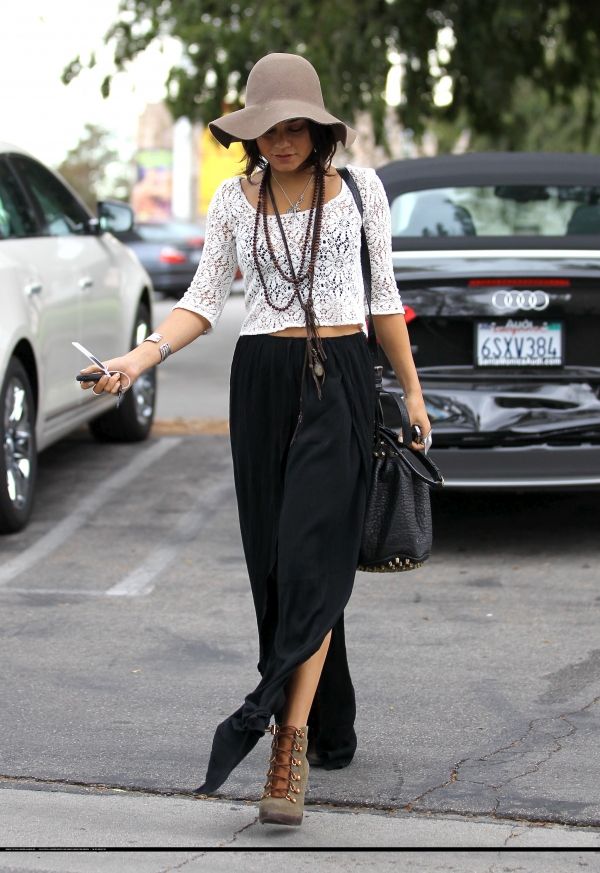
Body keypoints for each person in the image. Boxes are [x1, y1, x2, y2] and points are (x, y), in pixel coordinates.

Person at [79, 52, 431, 828]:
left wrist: (409, 389)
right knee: (277, 571)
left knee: (312, 556)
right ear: (251, 135)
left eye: (296, 127)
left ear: (320, 128)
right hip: (262, 384)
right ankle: (330, 721)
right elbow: (204, 299)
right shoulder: (234, 200)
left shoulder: (361, 191)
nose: (283, 141)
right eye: (269, 129)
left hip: (341, 380)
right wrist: (137, 359)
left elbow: (382, 297)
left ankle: (288, 741)